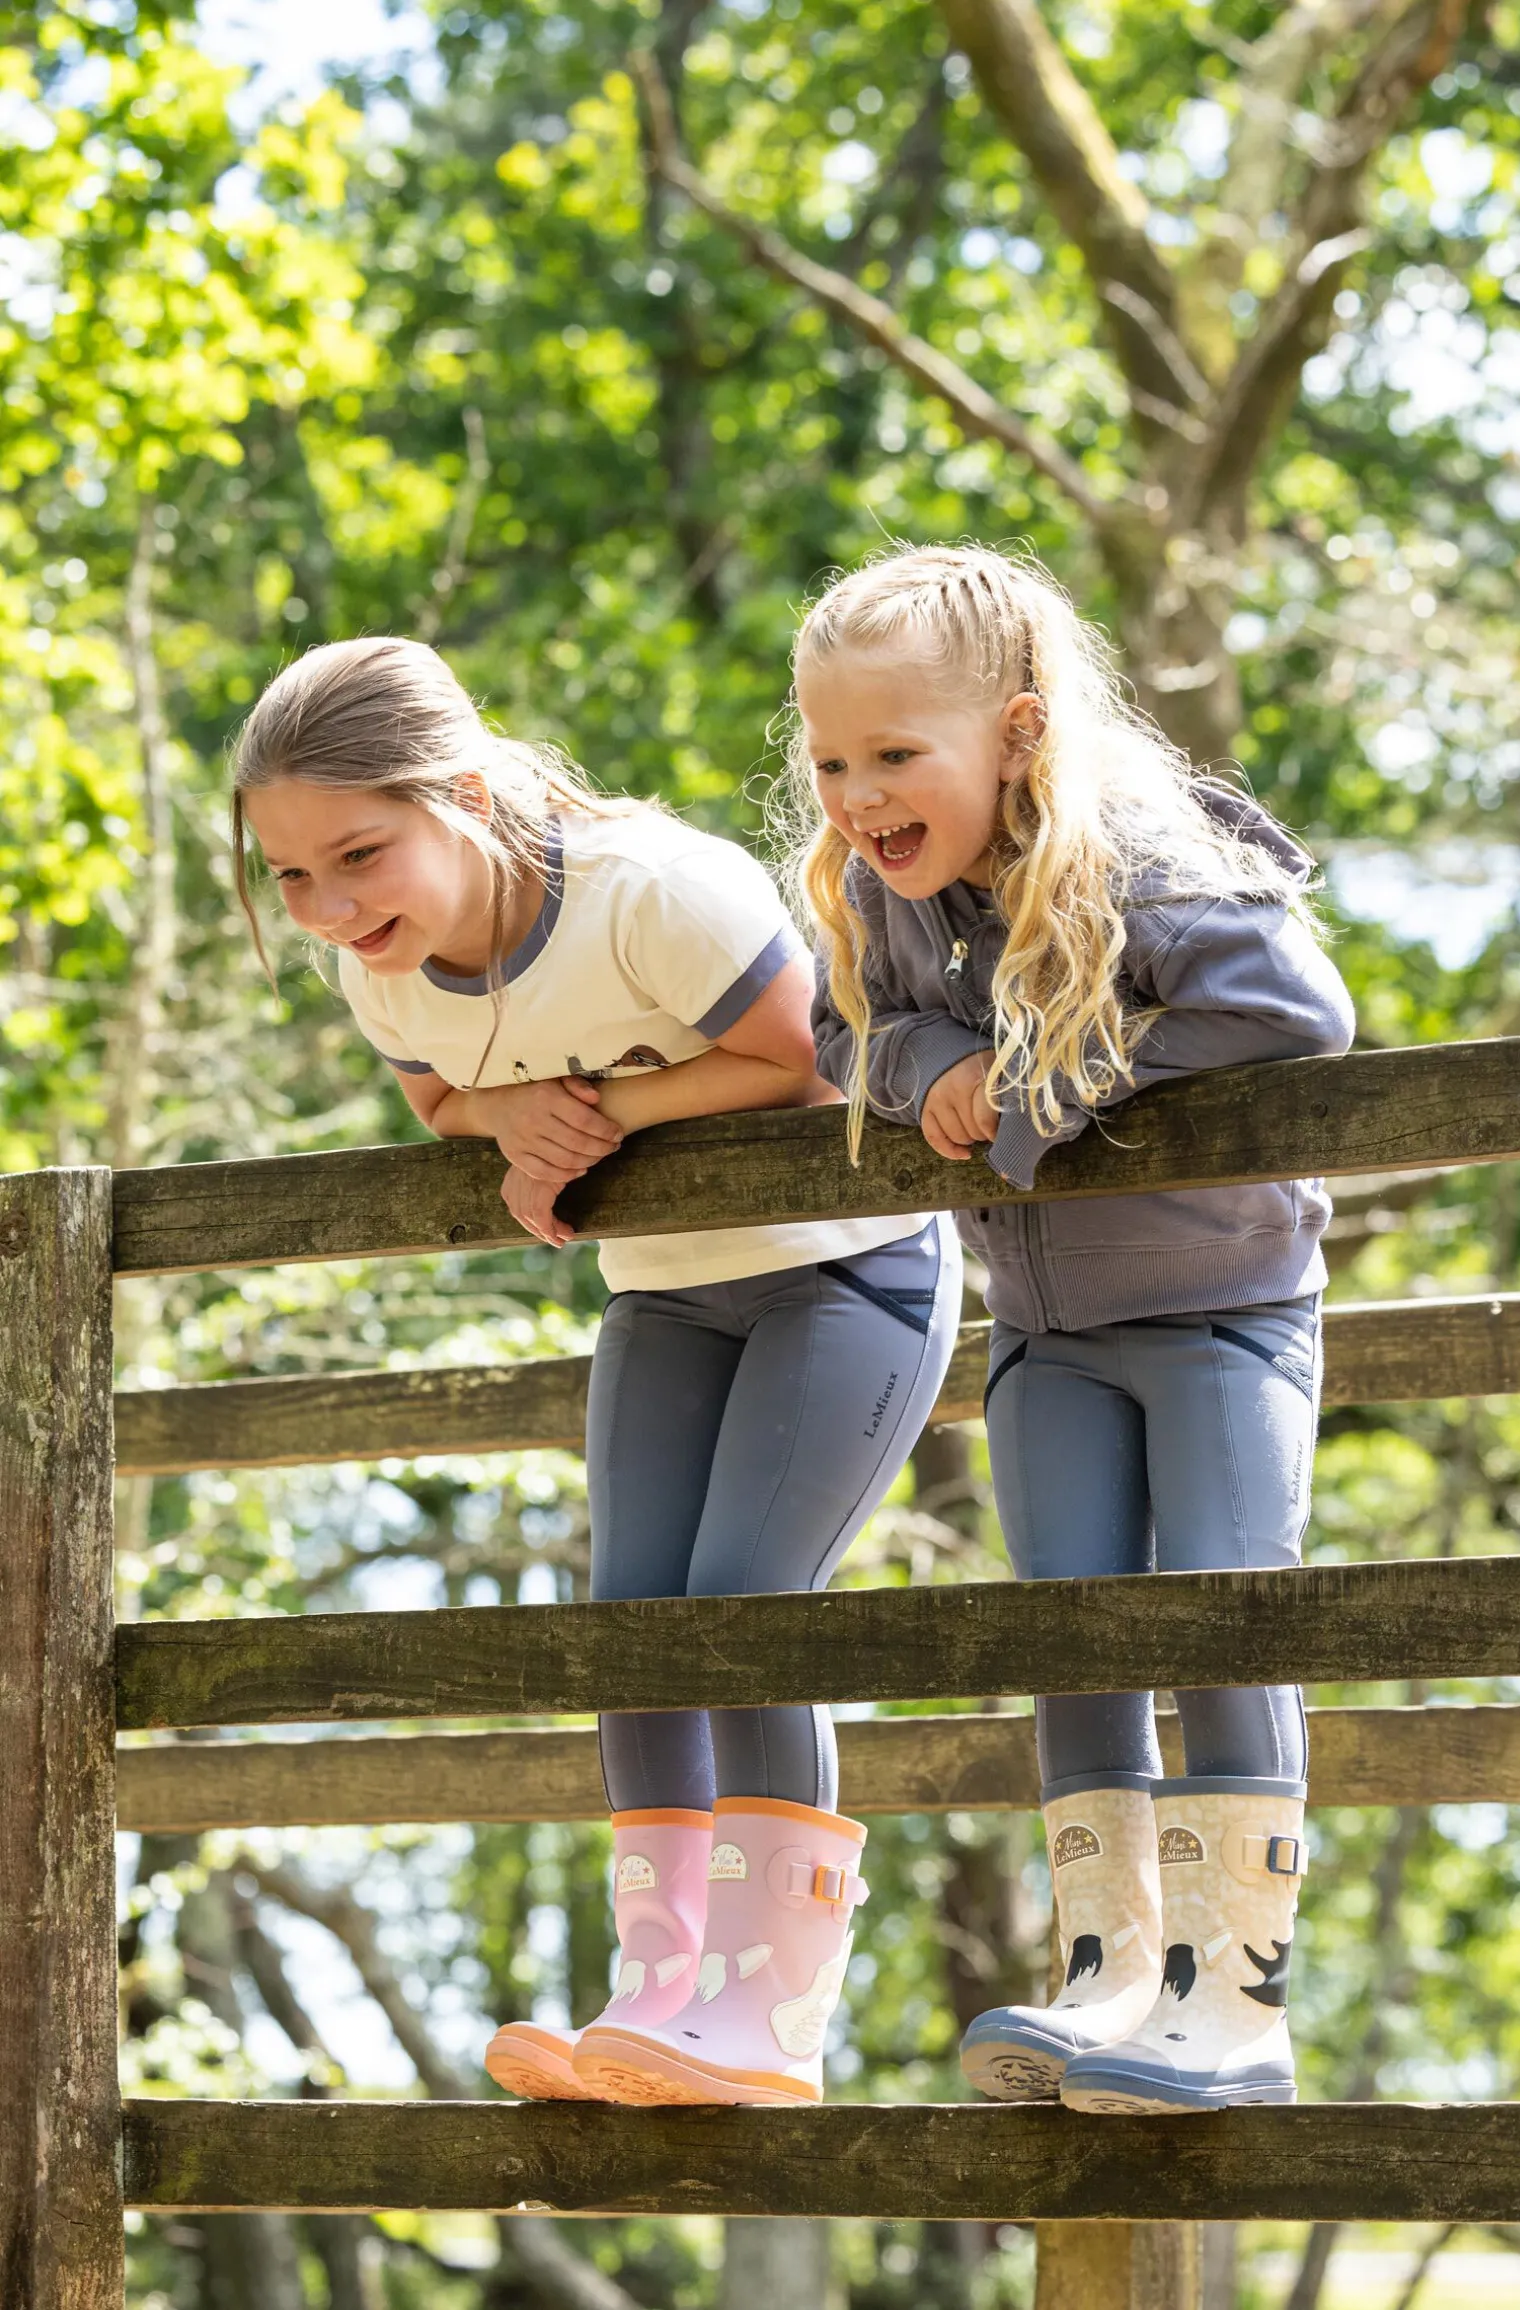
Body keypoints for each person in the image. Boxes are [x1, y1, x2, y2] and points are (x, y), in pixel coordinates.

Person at [230, 636, 961, 2108]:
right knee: (627, 1624)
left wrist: (587, 1115)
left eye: (360, 854)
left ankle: (767, 2012)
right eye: (291, 875)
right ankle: (656, 1997)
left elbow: (805, 1060)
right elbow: (442, 1094)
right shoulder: (387, 972)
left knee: (742, 1606)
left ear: (469, 794)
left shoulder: (652, 893)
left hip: (845, 1269)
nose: (329, 907)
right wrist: (512, 1122)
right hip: (667, 1296)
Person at [794, 544, 1354, 2115]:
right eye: (832, 758)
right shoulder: (872, 894)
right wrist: (919, 1073)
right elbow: (843, 1027)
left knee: (1225, 1615)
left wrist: (1036, 1081)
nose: (855, 793)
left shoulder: (1135, 854)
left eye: (896, 755)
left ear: (1021, 734)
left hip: (1221, 1313)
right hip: (1044, 1328)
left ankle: (1234, 2000)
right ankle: (1114, 1969)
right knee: (1072, 1631)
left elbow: (1296, 1007)